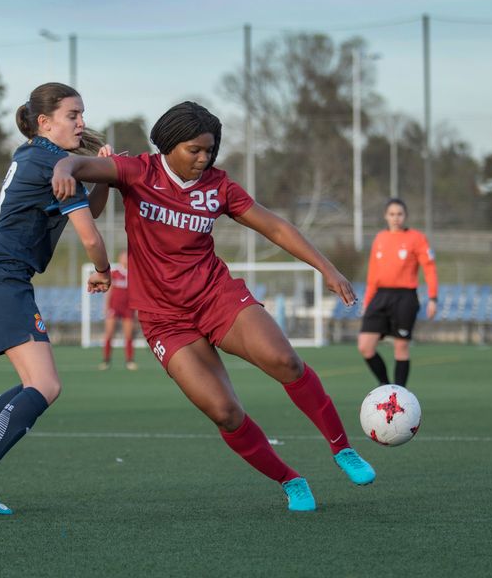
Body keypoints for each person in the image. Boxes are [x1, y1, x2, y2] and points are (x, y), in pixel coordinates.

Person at [50, 101, 376, 513]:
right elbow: (80, 170)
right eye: (194, 150)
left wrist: (326, 268)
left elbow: (274, 225)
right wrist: (64, 168)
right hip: (164, 320)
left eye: (210, 150)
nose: (204, 159)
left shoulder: (218, 187)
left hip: (216, 296)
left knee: (284, 360)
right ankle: (289, 479)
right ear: (168, 145)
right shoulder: (138, 171)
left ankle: (342, 449)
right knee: (225, 412)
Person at [0, 82, 113, 515]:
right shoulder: (49, 162)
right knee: (45, 385)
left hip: (2, 277)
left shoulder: (35, 155)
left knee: (38, 381)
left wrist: (104, 175)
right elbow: (90, 237)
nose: (82, 122)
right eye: (73, 115)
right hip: (1, 279)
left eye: (82, 113)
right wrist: (105, 273)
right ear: (45, 122)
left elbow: (92, 212)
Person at [357, 198, 438, 388]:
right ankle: (385, 386)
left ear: (405, 216)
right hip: (380, 296)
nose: (396, 218)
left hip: (405, 297)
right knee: (365, 346)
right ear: (386, 216)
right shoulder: (379, 238)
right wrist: (368, 301)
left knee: (400, 346)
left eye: (399, 214)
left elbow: (429, 268)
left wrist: (433, 297)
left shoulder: (416, 238)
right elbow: (372, 275)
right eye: (392, 214)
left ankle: (399, 394)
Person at [99, 249, 138, 371]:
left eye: (127, 257)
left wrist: (136, 308)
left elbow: (136, 293)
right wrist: (106, 306)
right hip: (114, 307)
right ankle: (106, 360)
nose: (125, 259)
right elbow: (109, 291)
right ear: (120, 258)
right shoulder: (114, 273)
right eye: (123, 257)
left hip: (128, 308)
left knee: (128, 335)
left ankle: (129, 361)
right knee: (109, 333)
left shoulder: (133, 274)